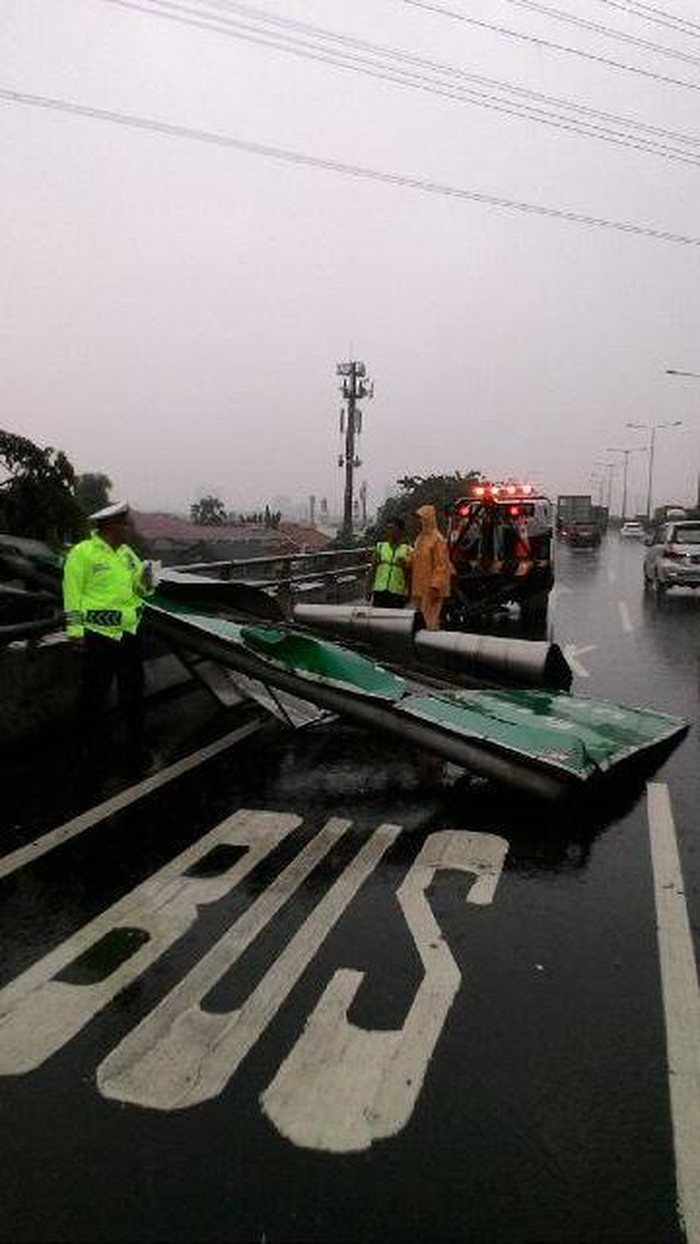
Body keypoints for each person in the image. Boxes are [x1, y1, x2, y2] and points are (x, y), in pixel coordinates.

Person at [63, 500, 153, 766]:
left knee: (134, 693)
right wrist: (75, 631)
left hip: (129, 633)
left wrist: (146, 580)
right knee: (94, 694)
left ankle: (136, 749)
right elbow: (72, 593)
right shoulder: (83, 553)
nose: (130, 528)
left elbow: (140, 591)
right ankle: (85, 749)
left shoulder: (127, 553)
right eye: (126, 524)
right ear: (112, 526)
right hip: (98, 635)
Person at [409, 504, 452, 630]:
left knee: (431, 622)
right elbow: (417, 558)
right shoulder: (420, 539)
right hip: (419, 587)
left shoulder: (437, 539)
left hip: (431, 590)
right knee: (420, 621)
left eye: (420, 518)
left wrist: (436, 585)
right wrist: (407, 561)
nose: (418, 522)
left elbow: (441, 565)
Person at [367, 517, 412, 608]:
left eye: (392, 528)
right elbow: (373, 569)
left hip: (397, 592)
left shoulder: (407, 550)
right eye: (388, 528)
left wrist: (408, 591)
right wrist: (368, 588)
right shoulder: (380, 547)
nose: (389, 531)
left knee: (394, 620)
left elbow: (410, 574)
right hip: (379, 590)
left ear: (400, 531)